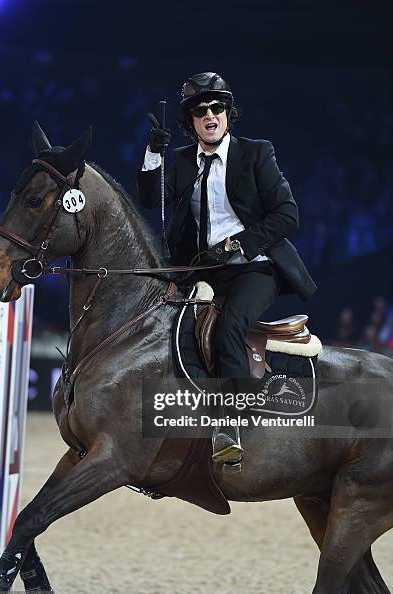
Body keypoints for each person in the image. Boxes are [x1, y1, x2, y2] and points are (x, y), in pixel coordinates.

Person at [137, 72, 317, 466]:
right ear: (191, 122)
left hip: (254, 268)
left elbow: (288, 214)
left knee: (231, 326)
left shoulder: (256, 153)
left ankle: (229, 427)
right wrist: (153, 153)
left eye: (217, 107)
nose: (210, 115)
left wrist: (239, 245)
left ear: (228, 114)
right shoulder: (182, 161)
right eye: (201, 111)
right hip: (201, 271)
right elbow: (151, 199)